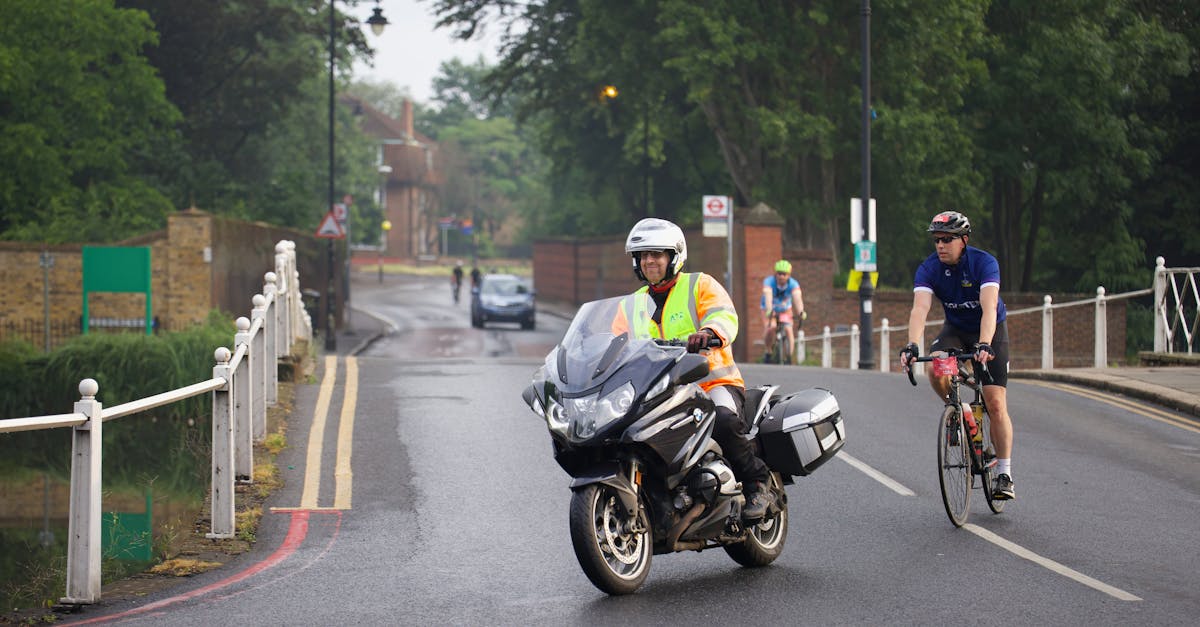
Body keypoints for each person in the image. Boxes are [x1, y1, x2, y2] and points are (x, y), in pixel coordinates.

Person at [618, 217, 775, 520]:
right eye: (644, 255)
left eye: (657, 254)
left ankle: (758, 483)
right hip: (659, 393)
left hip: (711, 384)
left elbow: (725, 316)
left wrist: (710, 332)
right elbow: (611, 340)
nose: (649, 261)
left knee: (724, 420)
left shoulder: (699, 284)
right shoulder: (631, 305)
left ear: (673, 257)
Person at [899, 211, 1015, 500]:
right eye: (937, 240)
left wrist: (985, 344)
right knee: (937, 368)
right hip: (956, 330)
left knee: (996, 403)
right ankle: (958, 410)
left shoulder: (984, 263)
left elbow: (989, 308)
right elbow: (920, 309)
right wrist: (912, 345)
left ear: (963, 240)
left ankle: (1004, 473)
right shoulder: (929, 268)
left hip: (990, 331)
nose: (940, 245)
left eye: (947, 239)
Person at [760, 259, 806, 364]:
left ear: (789, 275)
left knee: (789, 329)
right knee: (771, 327)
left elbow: (797, 299)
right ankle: (768, 352)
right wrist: (769, 310)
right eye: (779, 274)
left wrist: (801, 312)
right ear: (775, 274)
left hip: (785, 310)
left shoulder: (793, 284)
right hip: (769, 309)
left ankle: (789, 356)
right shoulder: (769, 282)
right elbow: (768, 296)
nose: (781, 276)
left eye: (784, 274)